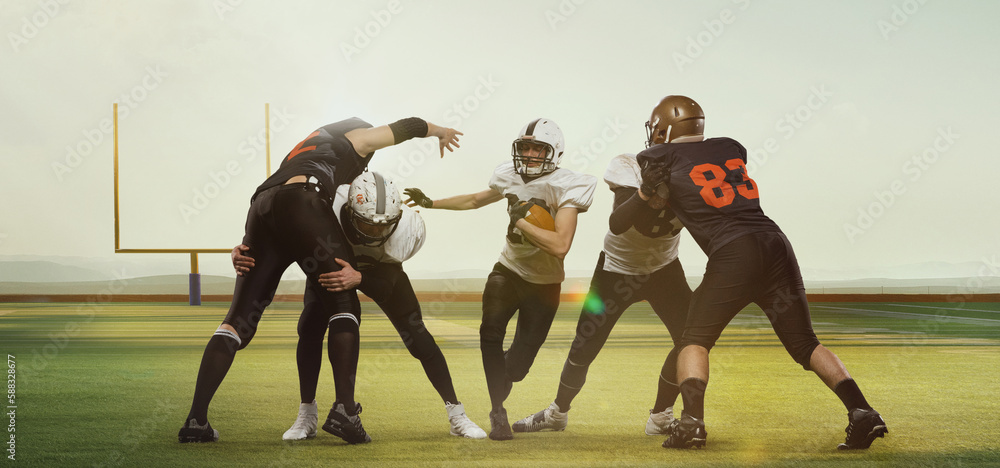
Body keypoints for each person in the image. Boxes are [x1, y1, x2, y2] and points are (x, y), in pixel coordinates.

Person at [178, 117, 462, 444]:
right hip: (303, 198)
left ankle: (196, 420)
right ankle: (345, 411)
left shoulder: (303, 150)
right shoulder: (352, 140)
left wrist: (243, 246)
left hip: (261, 206)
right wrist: (440, 132)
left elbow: (280, 204)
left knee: (236, 323)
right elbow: (407, 126)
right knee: (344, 301)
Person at [632, 95, 887, 450]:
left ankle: (691, 423)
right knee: (805, 343)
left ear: (663, 127)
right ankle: (862, 411)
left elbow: (653, 206)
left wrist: (648, 189)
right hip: (775, 241)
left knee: (693, 340)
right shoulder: (728, 147)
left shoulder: (656, 157)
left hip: (735, 251)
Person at [229, 171, 486, 441]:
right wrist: (249, 247)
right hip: (333, 267)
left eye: (383, 225)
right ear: (349, 211)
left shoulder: (408, 229)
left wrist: (360, 276)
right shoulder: (326, 207)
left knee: (418, 337)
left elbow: (387, 284)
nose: (375, 231)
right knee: (309, 328)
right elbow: (284, 231)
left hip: (380, 269)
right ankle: (307, 413)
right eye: (367, 224)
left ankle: (457, 414)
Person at [403, 118, 597, 440]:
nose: (530, 154)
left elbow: (560, 245)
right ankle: (498, 412)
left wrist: (521, 223)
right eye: (525, 147)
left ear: (554, 152)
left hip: (545, 284)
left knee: (517, 368)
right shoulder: (507, 174)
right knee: (489, 332)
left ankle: (502, 384)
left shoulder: (568, 184)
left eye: (538, 148)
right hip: (508, 269)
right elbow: (476, 200)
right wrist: (431, 203)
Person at [510, 151, 693, 436]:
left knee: (691, 339)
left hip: (665, 268)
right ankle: (558, 413)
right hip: (617, 270)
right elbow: (618, 223)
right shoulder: (629, 165)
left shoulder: (696, 171)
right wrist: (645, 191)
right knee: (585, 346)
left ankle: (660, 416)